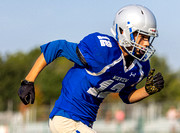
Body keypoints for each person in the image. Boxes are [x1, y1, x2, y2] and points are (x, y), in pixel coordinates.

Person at [18, 5, 164, 133]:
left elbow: (126, 96)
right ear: (123, 31)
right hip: (66, 119)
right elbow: (58, 47)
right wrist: (28, 81)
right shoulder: (102, 51)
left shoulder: (140, 67)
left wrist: (147, 90)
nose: (145, 44)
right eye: (142, 37)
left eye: (148, 38)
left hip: (84, 123)